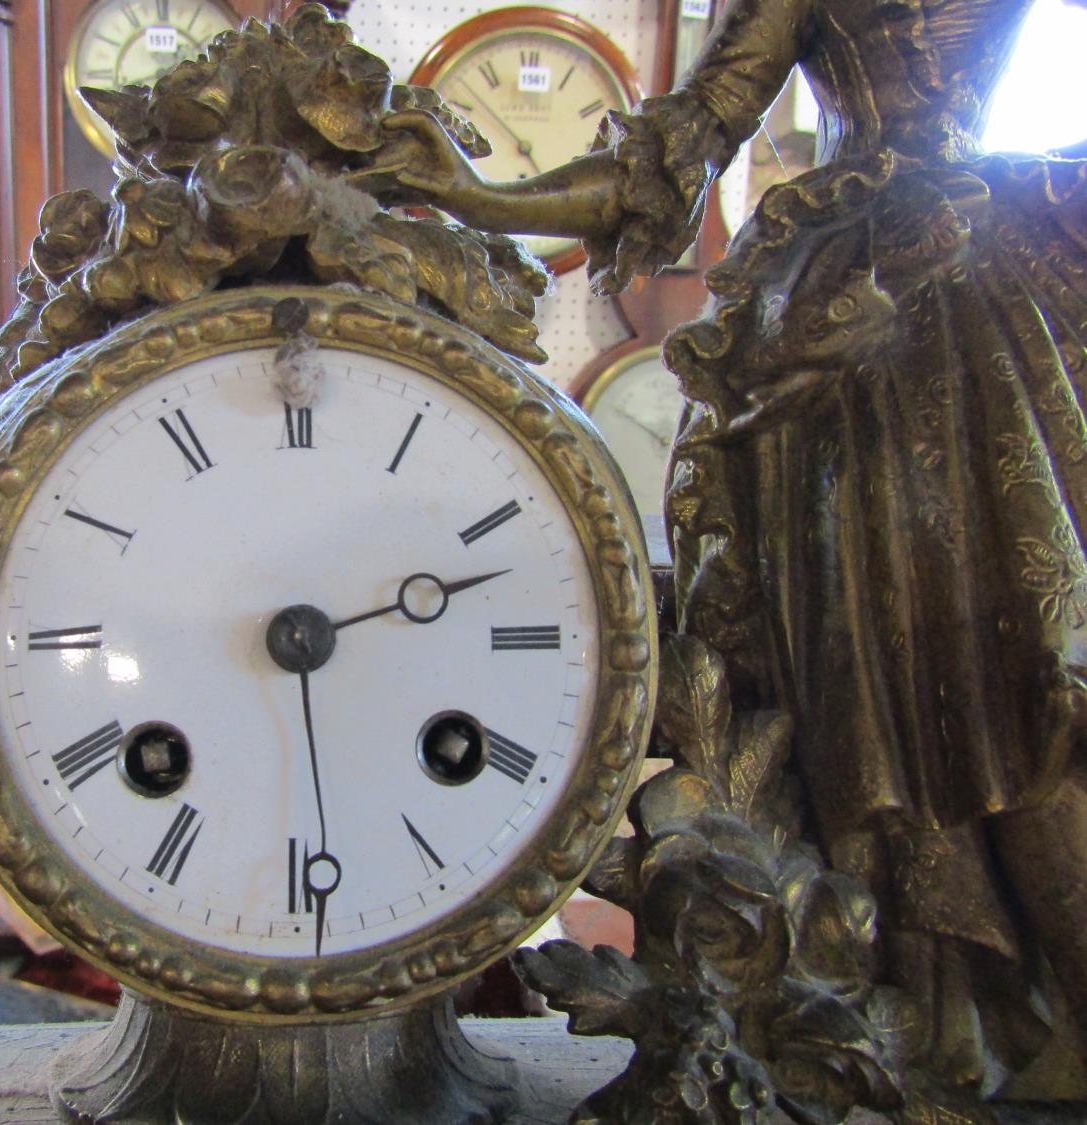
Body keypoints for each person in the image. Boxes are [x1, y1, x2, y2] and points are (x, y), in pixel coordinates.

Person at [385, 0, 1087, 1093]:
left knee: (1037, 677)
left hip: (975, 309)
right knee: (926, 693)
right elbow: (663, 167)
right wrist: (450, 188)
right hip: (875, 346)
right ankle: (939, 1021)